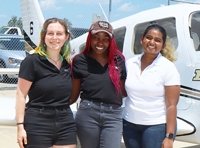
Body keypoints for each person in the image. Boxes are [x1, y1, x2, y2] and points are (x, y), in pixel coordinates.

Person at [15, 18, 77, 148]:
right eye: (50, 33)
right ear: (43, 36)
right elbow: (20, 95)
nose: (55, 38)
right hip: (37, 123)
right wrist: (20, 127)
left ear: (66, 37)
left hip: (65, 123)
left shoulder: (68, 65)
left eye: (59, 34)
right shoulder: (31, 62)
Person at [70, 21, 127, 148]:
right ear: (90, 38)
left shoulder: (119, 59)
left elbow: (123, 91)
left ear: (111, 41)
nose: (100, 42)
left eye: (105, 39)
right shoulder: (79, 60)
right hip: (87, 113)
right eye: (96, 37)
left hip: (113, 115)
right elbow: (73, 95)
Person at [122, 24, 180, 148]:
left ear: (163, 46)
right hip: (129, 125)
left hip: (156, 125)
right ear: (142, 40)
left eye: (158, 40)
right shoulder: (129, 64)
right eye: (149, 38)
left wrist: (169, 137)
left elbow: (171, 105)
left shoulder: (168, 68)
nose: (152, 42)